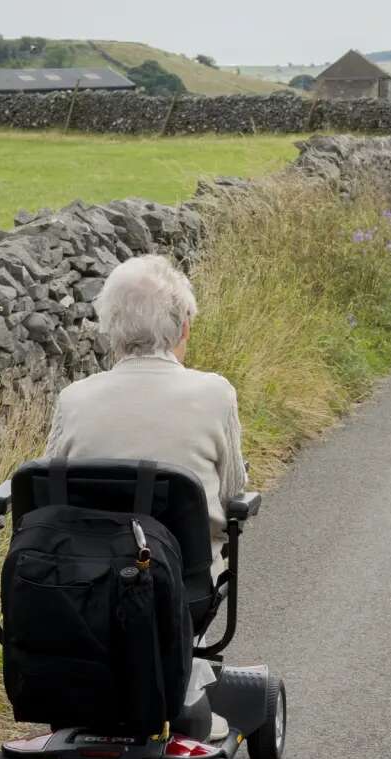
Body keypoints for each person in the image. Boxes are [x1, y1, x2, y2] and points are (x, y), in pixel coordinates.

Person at [44, 254, 248, 728]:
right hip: (183, 587)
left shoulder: (75, 397)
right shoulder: (215, 393)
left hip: (80, 585)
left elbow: (52, 489)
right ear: (184, 329)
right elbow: (235, 490)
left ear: (110, 328)